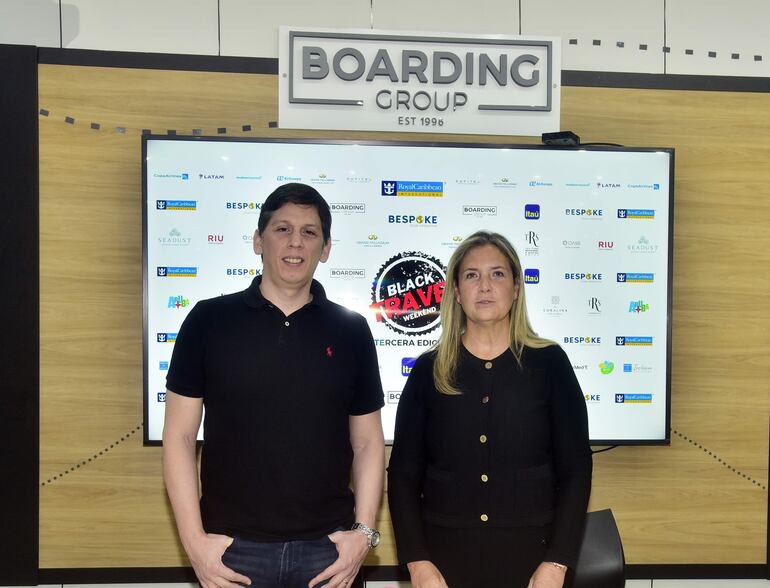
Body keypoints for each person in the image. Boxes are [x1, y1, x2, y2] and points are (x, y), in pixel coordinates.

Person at [163, 183, 385, 588]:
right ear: (258, 240)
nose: (295, 242)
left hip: (329, 552)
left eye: (309, 232)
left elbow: (369, 443)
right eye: (282, 229)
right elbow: (178, 437)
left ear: (326, 248)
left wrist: (363, 534)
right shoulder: (208, 321)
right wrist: (194, 542)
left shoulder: (352, 330)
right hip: (231, 551)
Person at [388, 230, 592, 588]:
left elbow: (576, 470)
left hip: (535, 563)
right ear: (456, 291)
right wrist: (418, 563)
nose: (484, 286)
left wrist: (557, 563)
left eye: (497, 274)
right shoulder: (428, 370)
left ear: (516, 288)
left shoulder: (550, 364)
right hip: (443, 566)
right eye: (472, 275)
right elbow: (403, 475)